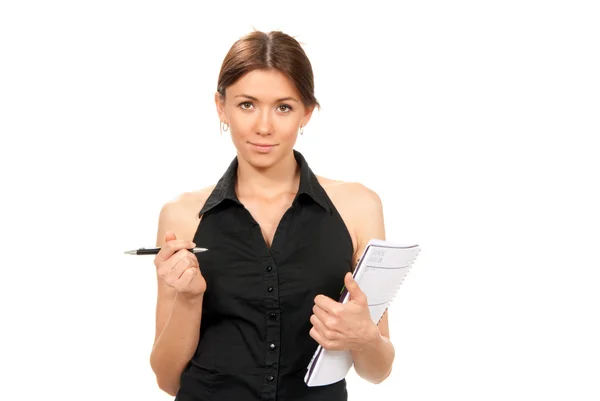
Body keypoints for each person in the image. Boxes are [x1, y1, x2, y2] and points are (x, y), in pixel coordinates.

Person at [149, 30, 395, 401]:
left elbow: (378, 370)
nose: (264, 126)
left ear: (306, 113)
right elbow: (168, 380)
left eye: (284, 107)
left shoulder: (357, 207)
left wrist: (364, 337)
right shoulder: (183, 215)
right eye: (247, 104)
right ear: (222, 106)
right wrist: (189, 299)